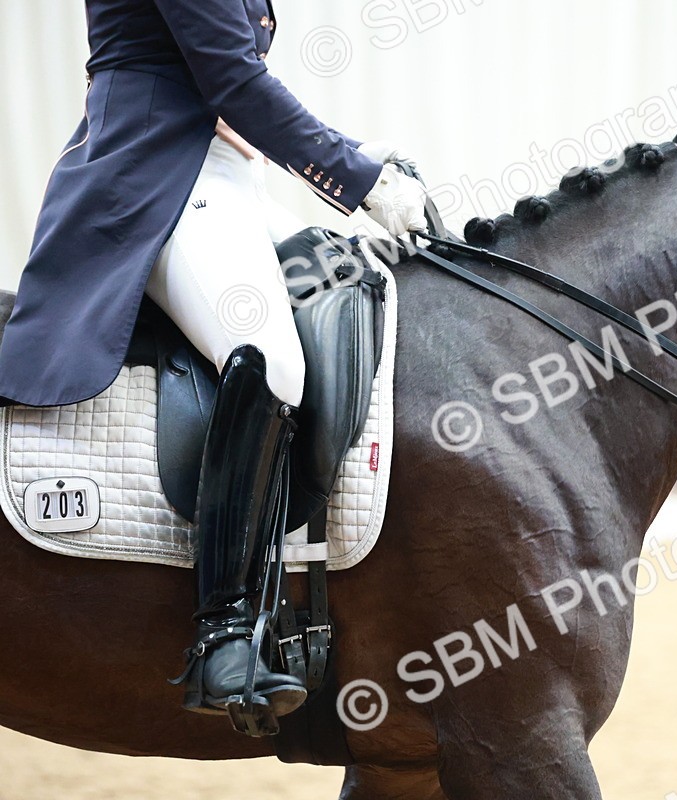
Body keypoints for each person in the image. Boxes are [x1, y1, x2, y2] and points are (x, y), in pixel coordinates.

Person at [0, 0, 427, 729]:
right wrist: (361, 178)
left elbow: (225, 81)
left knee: (354, 286)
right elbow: (233, 78)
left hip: (226, 175)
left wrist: (358, 157)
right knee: (268, 359)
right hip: (154, 177)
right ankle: (223, 629)